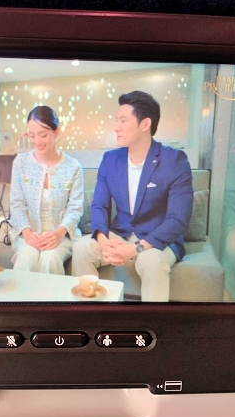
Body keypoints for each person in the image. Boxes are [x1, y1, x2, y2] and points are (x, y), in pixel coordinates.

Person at [71, 91, 193, 301]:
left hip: (157, 239)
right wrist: (102, 238)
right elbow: (99, 205)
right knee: (82, 248)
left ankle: (151, 321)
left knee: (151, 262)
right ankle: (89, 314)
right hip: (121, 232)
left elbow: (178, 219)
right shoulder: (111, 159)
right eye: (116, 120)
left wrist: (137, 248)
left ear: (145, 124)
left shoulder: (174, 160)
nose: (116, 127)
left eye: (123, 120)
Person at [9, 105, 84, 274]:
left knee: (49, 258)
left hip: (61, 234)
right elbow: (16, 204)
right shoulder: (20, 163)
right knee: (26, 259)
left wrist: (59, 233)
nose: (37, 141)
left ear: (57, 131)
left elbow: (75, 208)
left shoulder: (73, 167)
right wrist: (27, 233)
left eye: (43, 135)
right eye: (32, 135)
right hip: (29, 233)